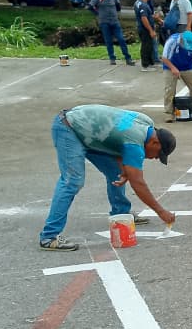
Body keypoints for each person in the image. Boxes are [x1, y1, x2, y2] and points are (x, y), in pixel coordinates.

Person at [38, 105, 176, 251]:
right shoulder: (135, 143)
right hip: (69, 129)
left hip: (90, 132)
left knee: (117, 172)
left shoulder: (147, 123)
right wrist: (161, 211)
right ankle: (49, 237)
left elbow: (116, 138)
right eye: (158, 154)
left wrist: (124, 168)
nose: (155, 158)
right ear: (154, 142)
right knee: (72, 181)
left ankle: (121, 214)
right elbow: (138, 183)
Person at [89, 0, 134, 66]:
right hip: (104, 22)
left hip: (114, 21)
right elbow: (90, 7)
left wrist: (115, 13)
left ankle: (128, 58)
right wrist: (98, 13)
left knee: (121, 39)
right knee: (108, 41)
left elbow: (118, 6)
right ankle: (112, 58)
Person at [162, 30, 192, 121]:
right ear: (182, 40)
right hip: (170, 66)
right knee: (169, 89)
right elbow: (164, 58)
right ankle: (169, 113)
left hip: (187, 67)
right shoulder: (172, 41)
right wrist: (173, 68)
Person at [134, 0, 157, 71]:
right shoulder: (143, 5)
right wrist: (151, 30)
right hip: (145, 29)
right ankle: (145, 65)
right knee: (146, 47)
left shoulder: (138, 2)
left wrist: (153, 17)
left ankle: (150, 63)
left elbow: (146, 16)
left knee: (148, 46)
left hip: (142, 28)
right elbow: (144, 18)